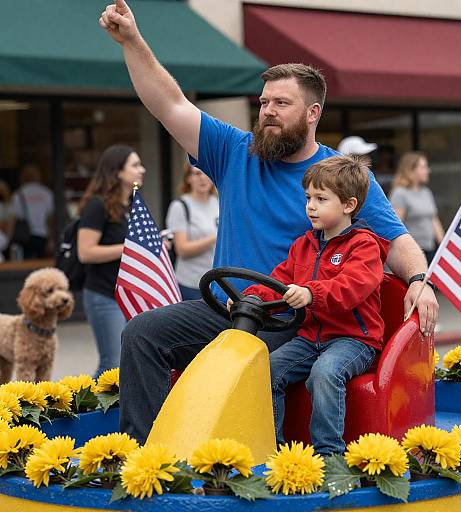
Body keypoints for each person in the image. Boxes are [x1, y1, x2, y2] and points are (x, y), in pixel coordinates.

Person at [99, 0, 438, 444]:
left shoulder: (342, 176)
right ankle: (141, 457)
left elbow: (395, 240)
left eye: (282, 103)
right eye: (263, 103)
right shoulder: (234, 150)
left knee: (241, 364)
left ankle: (260, 465)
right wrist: (132, 41)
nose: (268, 111)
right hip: (222, 307)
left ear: (313, 113)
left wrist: (419, 278)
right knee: (142, 334)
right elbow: (169, 104)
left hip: (292, 319)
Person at [231, 155, 387, 455]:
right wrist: (249, 298)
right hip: (309, 338)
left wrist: (310, 293)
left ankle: (330, 457)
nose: (311, 206)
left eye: (321, 198)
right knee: (266, 369)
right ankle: (271, 451)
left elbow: (351, 287)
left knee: (325, 373)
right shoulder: (304, 245)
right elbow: (277, 281)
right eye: (308, 198)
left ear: (348, 205)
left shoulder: (364, 246)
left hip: (354, 340)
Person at [77, 145, 146, 378]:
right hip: (104, 295)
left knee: (125, 363)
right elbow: (85, 252)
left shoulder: (130, 204)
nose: (142, 170)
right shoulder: (97, 205)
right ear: (117, 172)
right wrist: (129, 248)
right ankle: (90, 411)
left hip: (127, 295)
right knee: (111, 364)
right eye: (135, 165)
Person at [165, 163, 218, 300]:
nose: (203, 178)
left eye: (206, 173)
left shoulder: (218, 202)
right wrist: (214, 237)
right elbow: (182, 249)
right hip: (191, 284)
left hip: (218, 283)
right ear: (188, 178)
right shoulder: (180, 206)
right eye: (197, 173)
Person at [389, 152, 445, 265]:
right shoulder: (400, 193)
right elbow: (395, 226)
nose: (428, 170)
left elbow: (434, 221)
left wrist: (445, 246)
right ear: (411, 170)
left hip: (430, 250)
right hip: (412, 253)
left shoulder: (426, 192)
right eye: (423, 167)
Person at [10, 164, 54, 259]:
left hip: (25, 236)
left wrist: (9, 239)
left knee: (26, 264)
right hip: (43, 235)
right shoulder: (47, 193)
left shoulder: (18, 194)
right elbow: (50, 218)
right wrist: (51, 239)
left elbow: (14, 218)